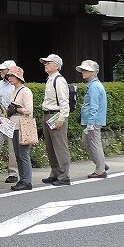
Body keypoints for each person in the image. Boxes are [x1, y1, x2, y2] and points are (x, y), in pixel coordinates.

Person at [39, 53, 72, 186]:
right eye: (45, 63)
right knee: (50, 146)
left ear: (56, 66)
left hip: (56, 115)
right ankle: (55, 173)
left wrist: (62, 118)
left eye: (48, 63)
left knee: (60, 146)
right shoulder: (50, 79)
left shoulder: (59, 80)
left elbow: (64, 101)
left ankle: (64, 176)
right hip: (48, 114)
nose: (45, 65)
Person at [4, 65, 35, 191]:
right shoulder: (13, 91)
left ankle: (26, 181)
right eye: (9, 76)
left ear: (18, 77)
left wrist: (17, 109)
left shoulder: (25, 91)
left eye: (11, 76)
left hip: (23, 125)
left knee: (23, 154)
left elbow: (29, 110)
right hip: (14, 125)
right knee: (17, 154)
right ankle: (22, 179)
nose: (9, 78)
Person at [77, 59, 109, 179]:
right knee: (88, 142)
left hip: (93, 122)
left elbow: (94, 107)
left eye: (86, 70)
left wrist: (90, 123)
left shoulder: (94, 86)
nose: (83, 72)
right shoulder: (93, 85)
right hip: (93, 121)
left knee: (94, 144)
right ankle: (101, 164)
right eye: (83, 70)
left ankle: (100, 170)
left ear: (93, 72)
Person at [0, 59, 18, 183]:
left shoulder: (16, 85)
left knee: (12, 147)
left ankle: (13, 172)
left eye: (4, 69)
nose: (1, 71)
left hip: (11, 118)